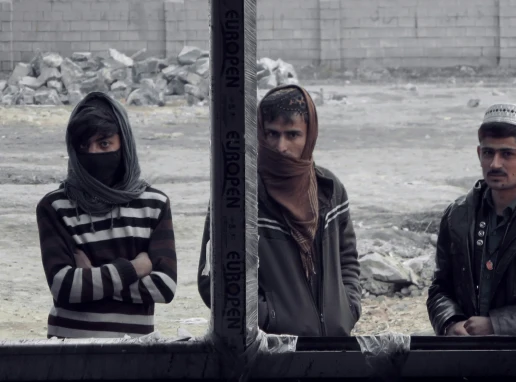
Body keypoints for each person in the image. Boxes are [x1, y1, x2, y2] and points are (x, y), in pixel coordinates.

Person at [197, 84, 361, 336]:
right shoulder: (237, 194)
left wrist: (347, 308)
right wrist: (267, 318)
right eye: (271, 134)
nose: (280, 146)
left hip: (332, 345)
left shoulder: (329, 190)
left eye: (292, 135)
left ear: (310, 136)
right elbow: (212, 278)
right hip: (268, 350)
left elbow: (347, 258)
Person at [36, 92, 177, 339]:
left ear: (124, 144)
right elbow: (64, 286)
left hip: (133, 352)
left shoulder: (154, 204)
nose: (93, 153)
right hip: (68, 350)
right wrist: (134, 267)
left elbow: (164, 287)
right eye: (83, 145)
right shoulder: (54, 206)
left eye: (104, 144)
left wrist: (92, 277)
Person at [427, 102, 516, 336]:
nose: (495, 164)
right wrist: (450, 323)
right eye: (488, 153)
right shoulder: (457, 216)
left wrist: (497, 325)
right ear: (478, 153)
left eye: (507, 154)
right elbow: (440, 288)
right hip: (468, 354)